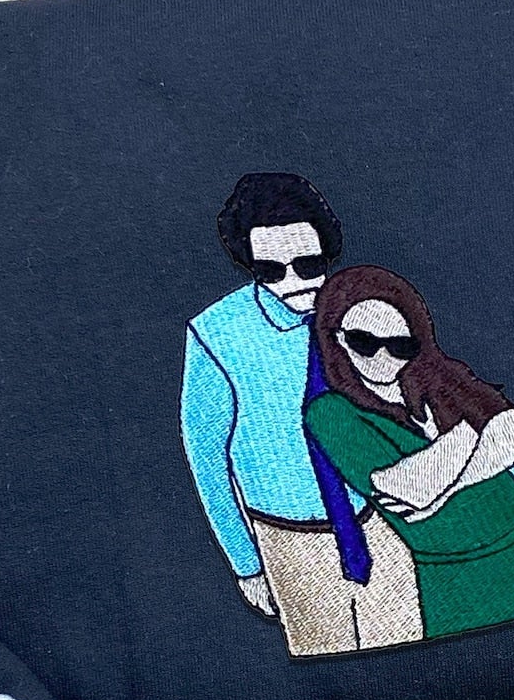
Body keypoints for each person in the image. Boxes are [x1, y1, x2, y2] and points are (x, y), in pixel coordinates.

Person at [179, 172, 426, 658]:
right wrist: (248, 564)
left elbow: (431, 395)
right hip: (292, 543)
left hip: (388, 522)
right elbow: (207, 458)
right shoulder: (216, 334)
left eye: (308, 265)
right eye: (271, 271)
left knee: (413, 658)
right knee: (331, 676)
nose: (292, 283)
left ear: (327, 254)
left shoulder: (366, 308)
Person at [303, 265, 514, 642]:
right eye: (364, 342)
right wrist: (471, 430)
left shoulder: (435, 377)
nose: (382, 358)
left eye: (400, 346)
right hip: (458, 577)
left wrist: (448, 487)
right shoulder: (330, 413)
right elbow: (408, 487)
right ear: (336, 338)